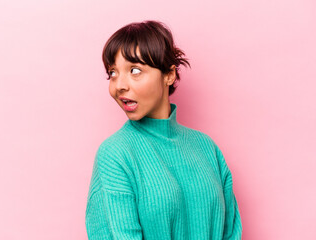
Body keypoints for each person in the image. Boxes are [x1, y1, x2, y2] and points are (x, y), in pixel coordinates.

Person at [85, 20, 242, 239]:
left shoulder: (206, 147)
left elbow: (230, 231)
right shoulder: (115, 154)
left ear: (168, 75)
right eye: (112, 73)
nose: (119, 85)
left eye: (135, 70)